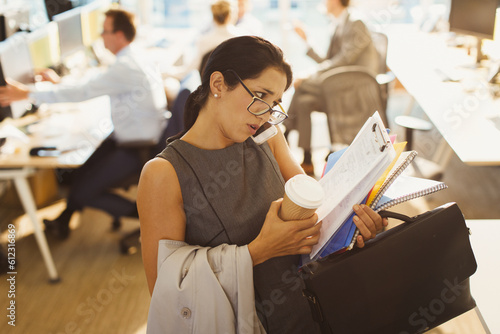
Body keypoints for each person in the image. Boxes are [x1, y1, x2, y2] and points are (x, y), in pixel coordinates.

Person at [137, 35, 387, 333]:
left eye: (275, 103)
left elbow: (317, 218)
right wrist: (258, 251)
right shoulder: (164, 173)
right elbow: (165, 290)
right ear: (218, 85)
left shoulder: (268, 138)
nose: (267, 114)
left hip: (312, 311)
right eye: (260, 96)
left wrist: (352, 228)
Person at [0, 8, 167, 239]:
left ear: (119, 36)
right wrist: (57, 85)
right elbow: (90, 86)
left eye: (104, 31)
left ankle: (151, 218)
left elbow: (84, 91)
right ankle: (64, 220)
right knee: (81, 170)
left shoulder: (125, 67)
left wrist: (28, 93)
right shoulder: (132, 58)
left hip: (137, 148)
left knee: (85, 191)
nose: (100, 36)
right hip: (131, 138)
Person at [285, 0, 380, 175]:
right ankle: (307, 158)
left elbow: (344, 61)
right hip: (340, 84)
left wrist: (309, 74)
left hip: (355, 87)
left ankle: (286, 133)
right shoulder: (338, 24)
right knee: (304, 100)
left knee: (302, 84)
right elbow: (329, 62)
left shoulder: (355, 22)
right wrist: (307, 41)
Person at [163, 0, 243, 107]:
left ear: (213, 17)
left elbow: (188, 72)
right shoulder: (243, 39)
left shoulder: (204, 41)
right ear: (231, 15)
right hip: (236, 94)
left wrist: (165, 72)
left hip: (210, 97)